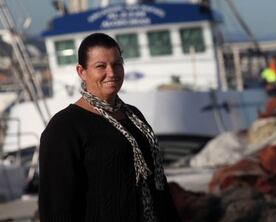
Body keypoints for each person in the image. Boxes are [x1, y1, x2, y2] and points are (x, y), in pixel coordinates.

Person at [38, 33, 181, 222]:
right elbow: (56, 206)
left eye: (117, 64)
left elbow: (158, 184)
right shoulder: (64, 127)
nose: (112, 73)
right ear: (82, 71)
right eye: (100, 66)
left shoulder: (134, 116)